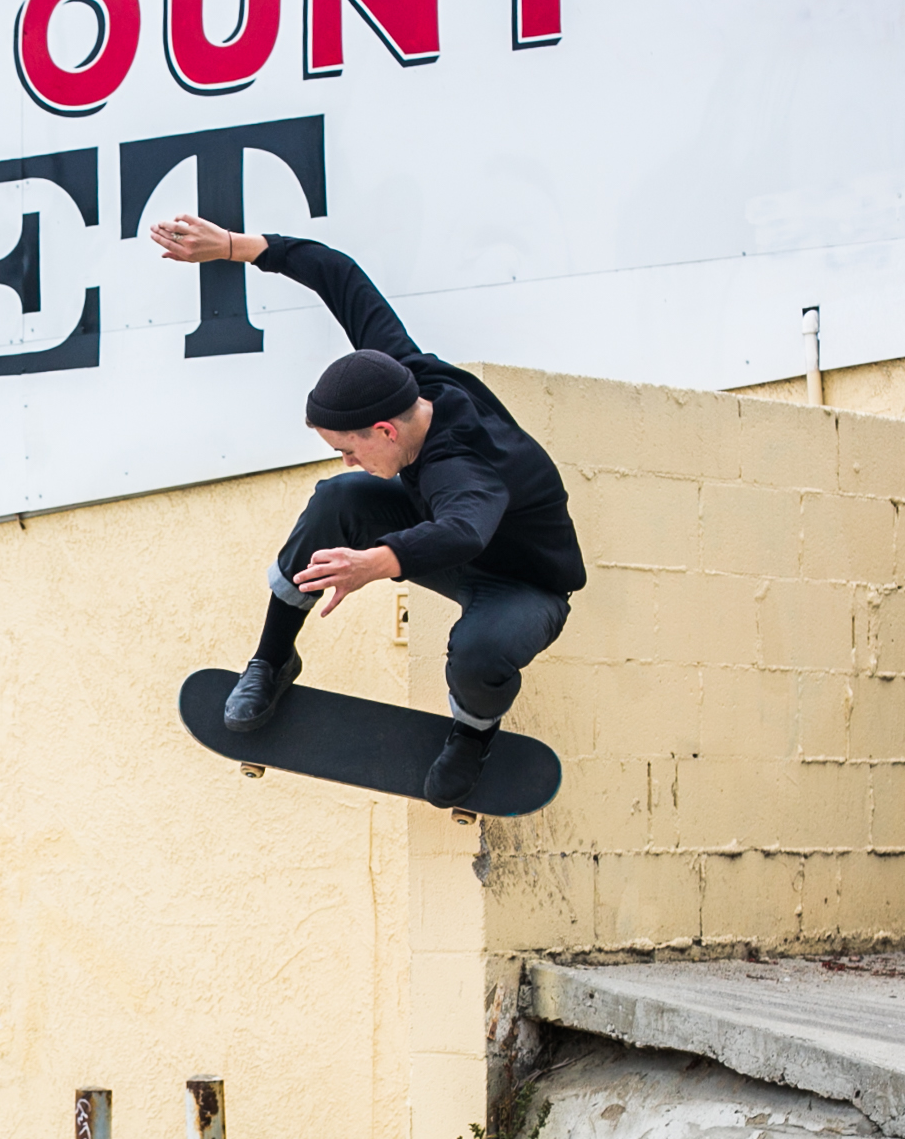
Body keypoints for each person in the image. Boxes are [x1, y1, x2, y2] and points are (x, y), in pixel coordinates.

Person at [149, 214, 587, 807]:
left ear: (383, 429)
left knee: (479, 651)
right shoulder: (404, 374)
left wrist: (375, 563)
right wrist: (233, 248)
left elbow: (463, 530)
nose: (351, 460)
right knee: (338, 499)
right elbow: (339, 275)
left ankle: (473, 733)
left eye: (349, 448)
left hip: (522, 588)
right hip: (447, 535)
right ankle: (273, 659)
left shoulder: (466, 467)